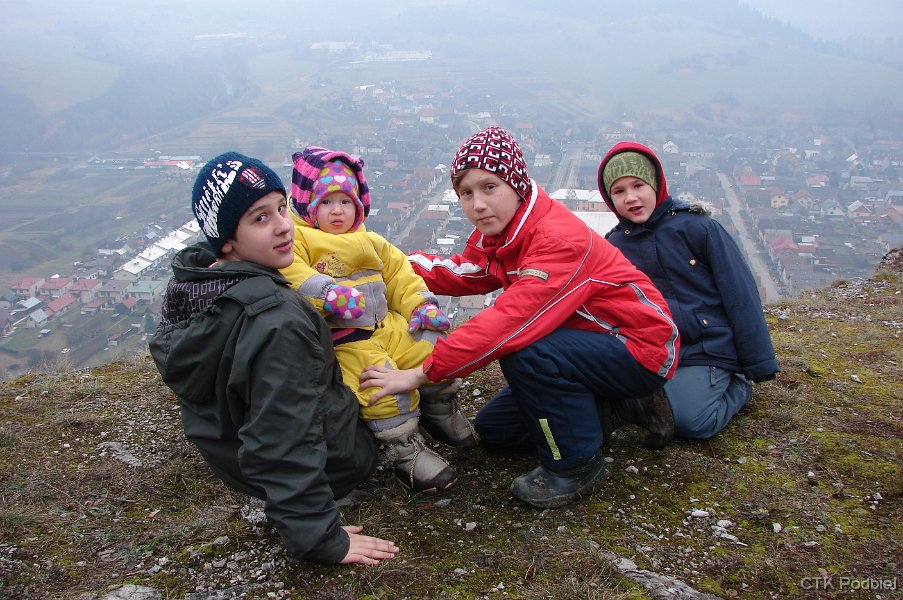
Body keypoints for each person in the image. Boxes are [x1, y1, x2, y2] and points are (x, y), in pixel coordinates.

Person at [359, 127, 680, 509]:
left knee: (526, 353)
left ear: (517, 185)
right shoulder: (509, 234)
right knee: (497, 432)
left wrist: (421, 373)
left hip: (637, 346)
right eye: (466, 192)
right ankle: (617, 405)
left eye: (489, 187)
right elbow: (466, 272)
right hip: (584, 346)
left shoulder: (556, 239)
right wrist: (385, 265)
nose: (478, 204)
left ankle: (576, 466)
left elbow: (507, 322)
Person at [149, 152, 398, 565]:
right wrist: (319, 537)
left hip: (230, 455)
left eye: (282, 208)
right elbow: (283, 435)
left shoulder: (201, 281)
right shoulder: (278, 321)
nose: (284, 225)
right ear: (227, 239)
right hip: (336, 464)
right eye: (260, 218)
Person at [280, 146, 479, 493]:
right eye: (326, 202)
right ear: (307, 204)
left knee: (432, 345)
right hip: (347, 339)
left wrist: (421, 307)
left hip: (387, 325)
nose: (337, 210)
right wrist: (328, 293)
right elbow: (291, 273)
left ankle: (439, 407)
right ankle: (404, 450)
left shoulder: (372, 240)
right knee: (378, 382)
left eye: (346, 201)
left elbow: (401, 276)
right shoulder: (300, 239)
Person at [597, 142, 779, 440]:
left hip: (707, 346)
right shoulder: (615, 245)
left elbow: (740, 294)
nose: (630, 198)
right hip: (654, 349)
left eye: (638, 185)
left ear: (656, 183)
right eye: (619, 191)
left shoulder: (698, 227)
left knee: (690, 422)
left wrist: (758, 363)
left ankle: (737, 386)